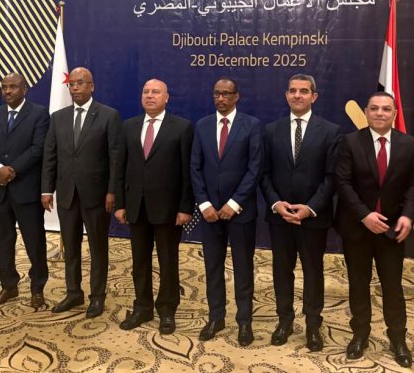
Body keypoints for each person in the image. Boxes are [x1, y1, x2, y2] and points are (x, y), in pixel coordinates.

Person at [334, 91, 414, 367]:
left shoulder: (408, 144)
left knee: (392, 286)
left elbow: (413, 185)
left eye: (385, 109)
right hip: (358, 228)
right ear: (366, 112)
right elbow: (342, 183)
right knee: (358, 284)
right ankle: (360, 334)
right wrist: (364, 215)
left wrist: (408, 215)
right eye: (374, 108)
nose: (380, 113)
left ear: (394, 114)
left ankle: (398, 338)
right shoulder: (350, 142)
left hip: (392, 231)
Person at [260, 74, 340, 352]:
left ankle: (313, 325)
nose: (297, 95)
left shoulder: (330, 131)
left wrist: (311, 208)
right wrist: (276, 204)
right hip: (279, 217)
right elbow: (264, 174)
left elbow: (332, 177)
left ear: (313, 97)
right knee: (282, 271)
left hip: (313, 218)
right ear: (286, 95)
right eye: (293, 90)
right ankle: (284, 321)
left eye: (304, 91)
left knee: (313, 272)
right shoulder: (271, 130)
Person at [41, 67, 123, 317]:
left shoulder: (108, 116)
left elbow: (116, 158)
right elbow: (50, 155)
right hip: (67, 194)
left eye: (80, 83)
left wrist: (112, 191)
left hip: (97, 196)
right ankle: (73, 292)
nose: (75, 87)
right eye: (72, 84)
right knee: (71, 247)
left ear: (92, 86)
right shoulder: (58, 117)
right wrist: (46, 189)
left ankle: (97, 297)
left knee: (98, 248)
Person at [114, 79, 194, 335]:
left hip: (168, 209)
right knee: (139, 261)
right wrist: (120, 204)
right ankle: (143, 307)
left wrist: (185, 207)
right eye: (146, 92)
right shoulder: (129, 126)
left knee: (168, 261)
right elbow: (121, 167)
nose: (150, 96)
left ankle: (167, 309)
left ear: (166, 97)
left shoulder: (182, 127)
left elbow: (187, 172)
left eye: (156, 92)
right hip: (136, 207)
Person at [190, 77, 262, 346]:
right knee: (212, 267)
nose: (221, 98)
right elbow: (195, 167)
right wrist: (204, 204)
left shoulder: (251, 125)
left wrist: (234, 203)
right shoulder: (202, 125)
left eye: (226, 94)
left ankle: (244, 321)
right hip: (209, 212)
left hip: (240, 212)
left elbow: (255, 169)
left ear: (236, 96)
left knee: (243, 268)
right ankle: (216, 317)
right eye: (217, 94)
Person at [0, 73, 50, 309]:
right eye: (4, 87)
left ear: (25, 89)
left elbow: (38, 148)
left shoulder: (39, 114)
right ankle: (8, 285)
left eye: (13, 87)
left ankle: (37, 288)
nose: (8, 91)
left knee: (34, 242)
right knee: (3, 241)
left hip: (26, 190)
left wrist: (12, 171)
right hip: (0, 191)